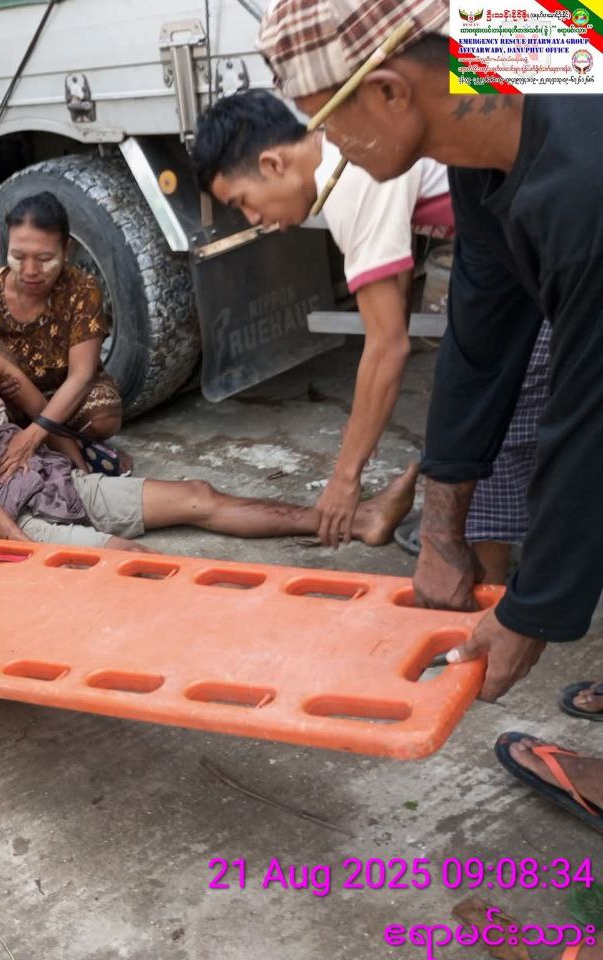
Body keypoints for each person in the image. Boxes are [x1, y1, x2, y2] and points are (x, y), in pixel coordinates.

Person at [255, 0, 603, 850]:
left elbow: (589, 417)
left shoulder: (585, 180)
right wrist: (442, 525)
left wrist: (534, 611)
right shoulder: (502, 69)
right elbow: (485, 321)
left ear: (387, 93)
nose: (330, 153)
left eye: (326, 127)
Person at [192, 90, 551, 581]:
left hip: (552, 245)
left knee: (492, 427)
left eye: (243, 203)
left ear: (273, 164)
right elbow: (394, 321)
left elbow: (388, 346)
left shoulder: (351, 173)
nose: (255, 221)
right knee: (479, 405)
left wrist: (345, 479)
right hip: (529, 247)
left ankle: (485, 605)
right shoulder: (493, 43)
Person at [0, 254, 417, 548]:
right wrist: (17, 548)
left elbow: (50, 418)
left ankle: (357, 521)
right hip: (16, 512)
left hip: (58, 482)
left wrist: (87, 475)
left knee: (199, 494)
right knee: (132, 563)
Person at [0, 192, 128, 477]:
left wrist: (32, 435)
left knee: (102, 414)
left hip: (64, 392)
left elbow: (81, 376)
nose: (30, 271)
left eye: (45, 258)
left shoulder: (82, 289)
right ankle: (74, 454)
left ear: (66, 251)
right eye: (18, 256)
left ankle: (53, 446)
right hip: (9, 401)